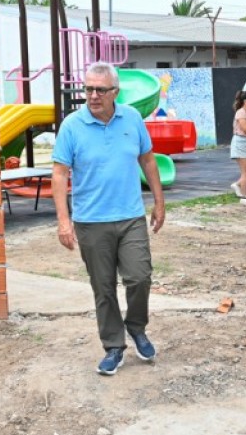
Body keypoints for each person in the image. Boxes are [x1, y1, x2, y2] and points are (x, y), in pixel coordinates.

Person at [51, 64, 165, 377]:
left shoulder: (132, 119)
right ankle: (114, 346)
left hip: (130, 217)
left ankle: (136, 327)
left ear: (115, 92)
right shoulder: (72, 126)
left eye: (100, 90)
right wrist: (64, 221)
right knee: (103, 288)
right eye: (88, 89)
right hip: (91, 221)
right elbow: (59, 174)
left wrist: (159, 201)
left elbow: (148, 160)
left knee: (139, 276)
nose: (92, 95)